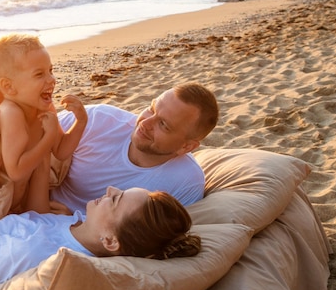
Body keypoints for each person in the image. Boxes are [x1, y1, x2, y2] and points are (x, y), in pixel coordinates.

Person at [0, 109, 201, 290]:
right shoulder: (81, 229)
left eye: (116, 199)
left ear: (110, 240)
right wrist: (43, 151)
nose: (110, 189)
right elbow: (39, 219)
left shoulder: (30, 254)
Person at [49, 82, 219, 213]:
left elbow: (145, 240)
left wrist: (73, 220)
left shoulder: (184, 182)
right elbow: (32, 134)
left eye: (163, 125)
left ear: (186, 146)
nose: (145, 123)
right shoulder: (97, 120)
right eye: (151, 110)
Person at [0, 33, 87, 213]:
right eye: (39, 74)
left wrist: (81, 122)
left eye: (50, 71)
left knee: (43, 163)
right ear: (8, 86)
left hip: (27, 186)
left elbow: (61, 151)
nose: (51, 79)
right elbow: (15, 171)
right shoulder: (10, 113)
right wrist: (48, 137)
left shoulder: (45, 107)